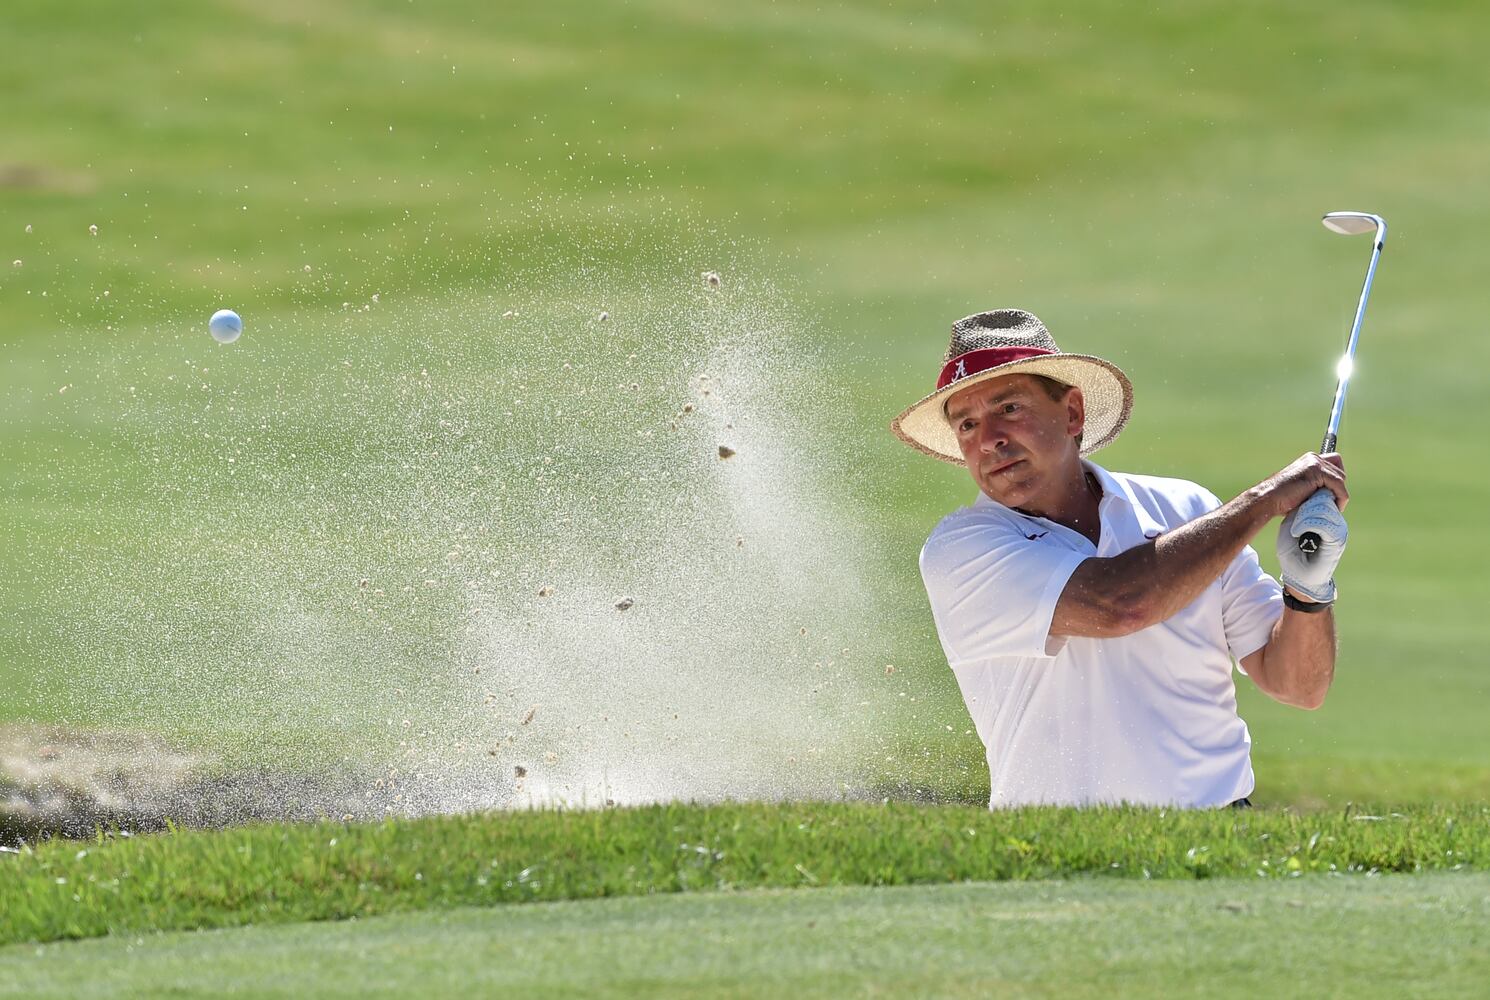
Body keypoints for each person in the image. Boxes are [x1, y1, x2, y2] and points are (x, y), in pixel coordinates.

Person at [890, 309, 1349, 809]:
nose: (989, 439)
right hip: (1054, 844)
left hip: (1220, 832)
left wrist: (1307, 589)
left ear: (1072, 413)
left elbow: (1298, 686)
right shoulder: (960, 548)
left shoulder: (1190, 510)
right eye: (968, 424)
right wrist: (1265, 501)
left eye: (1010, 408)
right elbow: (1120, 604)